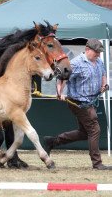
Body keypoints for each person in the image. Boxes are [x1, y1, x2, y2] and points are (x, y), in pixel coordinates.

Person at [43, 39, 112, 170]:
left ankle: (51, 141)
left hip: (91, 101)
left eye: (99, 52)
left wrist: (104, 85)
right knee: (94, 129)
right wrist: (60, 92)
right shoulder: (76, 64)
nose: (98, 54)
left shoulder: (99, 62)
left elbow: (103, 74)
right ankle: (97, 164)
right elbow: (62, 77)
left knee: (84, 133)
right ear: (87, 50)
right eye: (96, 52)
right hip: (78, 102)